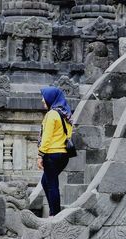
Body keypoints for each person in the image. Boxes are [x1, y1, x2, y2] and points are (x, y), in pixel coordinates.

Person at [37, 86, 73, 217]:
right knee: (45, 182)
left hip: (51, 154)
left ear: (51, 98)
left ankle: (55, 215)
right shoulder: (65, 113)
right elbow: (68, 134)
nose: (42, 100)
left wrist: (40, 155)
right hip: (64, 155)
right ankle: (54, 212)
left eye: (44, 97)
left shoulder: (52, 114)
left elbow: (46, 138)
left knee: (52, 185)